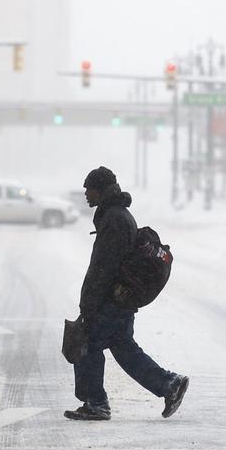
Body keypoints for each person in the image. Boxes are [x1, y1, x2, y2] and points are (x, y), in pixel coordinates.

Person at [65, 166, 189, 421]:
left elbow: (104, 266)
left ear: (100, 190)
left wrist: (88, 303)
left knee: (87, 344)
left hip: (112, 299)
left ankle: (96, 402)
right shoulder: (115, 215)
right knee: (124, 348)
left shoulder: (114, 219)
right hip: (120, 298)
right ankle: (169, 385)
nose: (86, 193)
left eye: (89, 188)